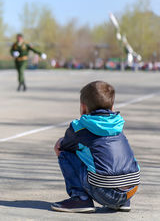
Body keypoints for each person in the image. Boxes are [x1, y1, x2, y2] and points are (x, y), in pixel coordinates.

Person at [52, 81, 140, 213]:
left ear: (83, 107)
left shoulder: (80, 126)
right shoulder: (118, 124)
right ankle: (122, 202)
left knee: (63, 151)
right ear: (112, 107)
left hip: (104, 190)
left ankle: (80, 198)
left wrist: (62, 141)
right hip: (131, 190)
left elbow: (65, 145)